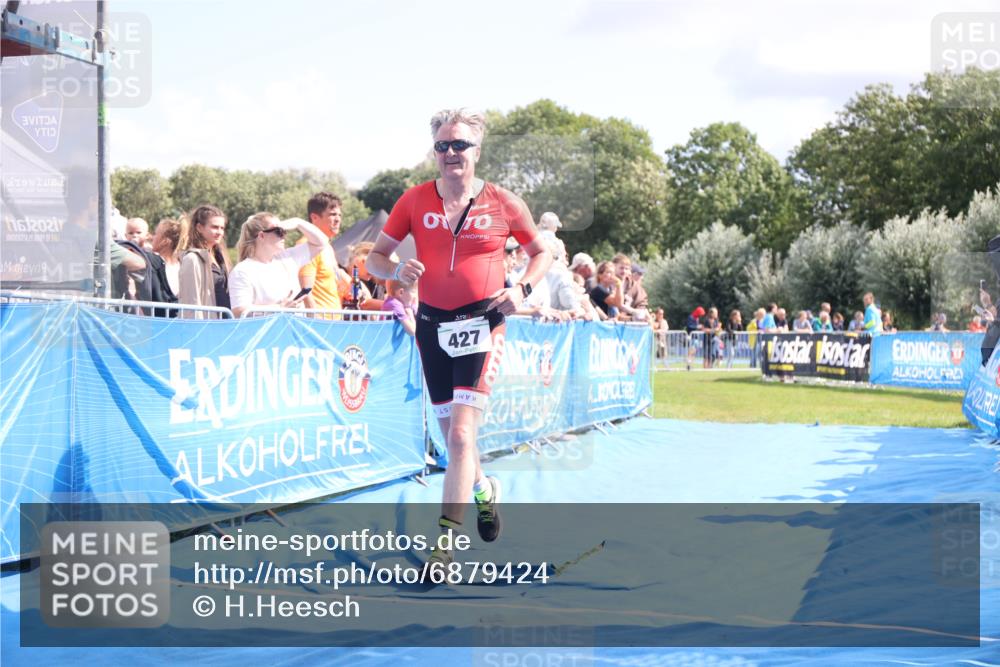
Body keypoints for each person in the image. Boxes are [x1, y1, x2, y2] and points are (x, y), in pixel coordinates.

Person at [366, 108, 552, 569]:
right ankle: (485, 490)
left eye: (460, 145)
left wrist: (522, 288)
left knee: (464, 436)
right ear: (435, 153)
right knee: (454, 440)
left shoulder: (504, 202)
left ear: (477, 151)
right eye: (443, 146)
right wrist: (395, 270)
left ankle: (445, 545)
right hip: (431, 325)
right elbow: (374, 260)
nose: (451, 153)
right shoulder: (414, 200)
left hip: (482, 323)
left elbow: (540, 252)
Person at [228, 213, 326, 318]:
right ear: (261, 236)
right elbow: (239, 311)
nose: (284, 235)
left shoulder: (288, 258)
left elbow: (321, 243)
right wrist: (279, 308)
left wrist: (298, 222)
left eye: (284, 231)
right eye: (279, 231)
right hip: (267, 333)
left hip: (294, 330)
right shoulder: (242, 271)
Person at [298, 192, 354, 315]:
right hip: (319, 324)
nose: (338, 219)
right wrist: (315, 322)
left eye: (339, 215)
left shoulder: (327, 247)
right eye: (332, 214)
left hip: (332, 322)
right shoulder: (307, 246)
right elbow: (305, 291)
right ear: (314, 217)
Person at [178, 205, 232, 319]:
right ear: (199, 227)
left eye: (222, 228)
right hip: (206, 326)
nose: (219, 232)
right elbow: (191, 302)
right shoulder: (192, 259)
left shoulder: (220, 257)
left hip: (226, 323)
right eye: (214, 227)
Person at [152, 218, 182, 296]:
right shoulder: (182, 265)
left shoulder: (153, 263)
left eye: (155, 234)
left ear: (165, 241)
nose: (152, 237)